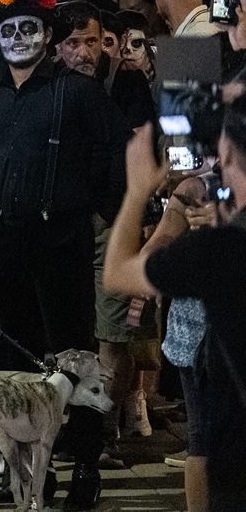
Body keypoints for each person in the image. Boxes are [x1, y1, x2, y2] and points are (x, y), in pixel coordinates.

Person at [0, 0, 125, 509]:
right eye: (8, 30)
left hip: (62, 241)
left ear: (48, 36)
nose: (17, 38)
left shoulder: (76, 92)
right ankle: (32, 474)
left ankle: (84, 468)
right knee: (19, 363)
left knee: (73, 359)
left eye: (28, 28)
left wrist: (97, 214)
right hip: (9, 243)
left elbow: (114, 162)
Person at [104, 102, 246, 511]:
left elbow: (118, 272)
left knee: (201, 438)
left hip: (233, 466)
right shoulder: (202, 209)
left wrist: (136, 192)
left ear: (228, 154)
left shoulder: (217, 249)